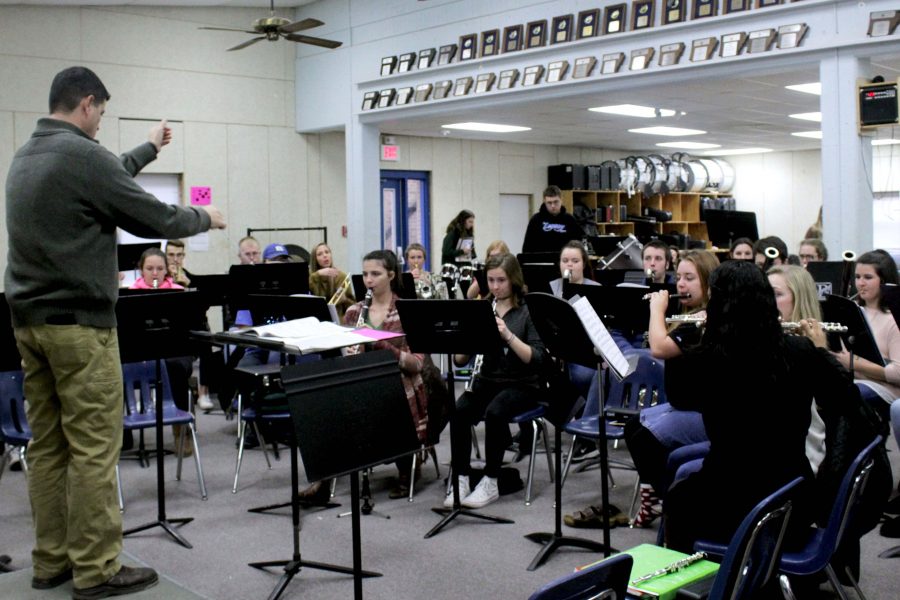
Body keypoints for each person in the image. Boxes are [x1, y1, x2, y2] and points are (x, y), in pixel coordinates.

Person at [5, 66, 225, 598]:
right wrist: (205, 216)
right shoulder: (82, 156)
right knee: (94, 448)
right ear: (86, 103)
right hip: (80, 330)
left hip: (30, 327)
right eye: (101, 113)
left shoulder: (27, 155)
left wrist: (147, 149)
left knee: (50, 446)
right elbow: (153, 214)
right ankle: (98, 566)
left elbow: (108, 177)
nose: (101, 123)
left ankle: (51, 560)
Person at [662, 260, 856, 553]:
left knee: (679, 500)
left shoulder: (708, 360)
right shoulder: (799, 350)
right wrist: (818, 348)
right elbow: (843, 393)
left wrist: (686, 331)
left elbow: (679, 397)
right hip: (794, 501)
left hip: (735, 501)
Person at [299, 250, 432, 501]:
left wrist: (379, 343)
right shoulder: (353, 312)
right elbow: (347, 359)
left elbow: (415, 363)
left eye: (376, 274)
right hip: (365, 380)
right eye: (365, 274)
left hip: (398, 382)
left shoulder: (406, 312)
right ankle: (323, 480)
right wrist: (351, 352)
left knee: (393, 400)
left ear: (391, 275)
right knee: (324, 407)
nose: (368, 280)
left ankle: (407, 470)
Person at [446, 253, 547, 509]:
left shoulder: (528, 310)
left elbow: (536, 359)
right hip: (488, 380)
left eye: (500, 280)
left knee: (495, 412)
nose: (494, 287)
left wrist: (508, 335)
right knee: (459, 412)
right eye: (490, 280)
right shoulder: (482, 308)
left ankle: (490, 480)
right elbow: (459, 360)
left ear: (513, 279)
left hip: (522, 383)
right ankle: (461, 478)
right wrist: (469, 336)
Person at [832, 250, 900, 423]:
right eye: (857, 277)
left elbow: (898, 373)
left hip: (885, 389)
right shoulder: (850, 310)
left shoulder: (894, 318)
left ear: (884, 280)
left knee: (849, 396)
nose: (860, 283)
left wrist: (854, 363)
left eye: (868, 278)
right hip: (853, 380)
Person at [522, 186, 582, 254]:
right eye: (549, 203)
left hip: (565, 261)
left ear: (561, 200)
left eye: (556, 202)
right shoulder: (535, 220)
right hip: (542, 261)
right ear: (544, 201)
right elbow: (527, 247)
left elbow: (578, 245)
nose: (553, 206)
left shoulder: (570, 220)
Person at [308, 242, 353, 318]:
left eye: (327, 252)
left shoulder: (341, 276)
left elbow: (353, 305)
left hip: (337, 320)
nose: (325, 256)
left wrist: (345, 300)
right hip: (315, 320)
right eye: (320, 254)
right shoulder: (311, 276)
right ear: (314, 259)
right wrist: (317, 274)